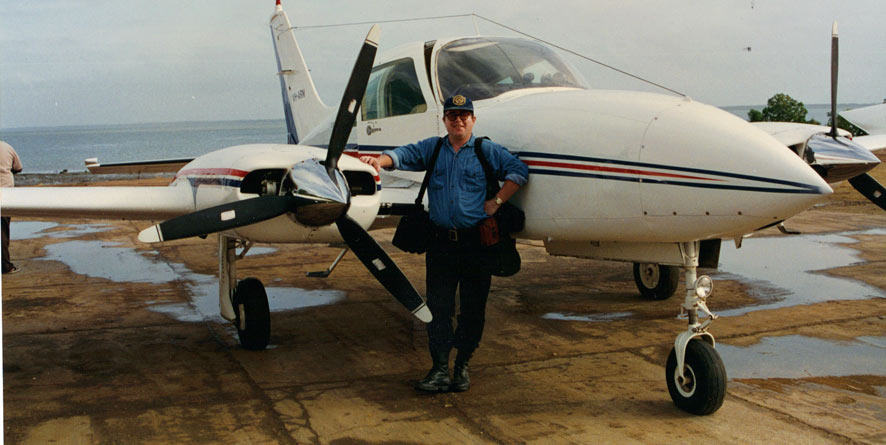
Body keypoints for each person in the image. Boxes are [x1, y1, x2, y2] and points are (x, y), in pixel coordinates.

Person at [360, 95, 528, 392]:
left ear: (473, 120)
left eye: (464, 115)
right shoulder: (434, 148)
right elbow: (403, 155)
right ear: (445, 120)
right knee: (438, 309)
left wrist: (498, 201)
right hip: (441, 246)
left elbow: (518, 171)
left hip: (476, 245)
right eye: (452, 115)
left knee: (473, 309)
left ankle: (462, 366)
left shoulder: (485, 150)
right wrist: (378, 161)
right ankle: (439, 369)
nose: (458, 120)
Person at [1, 140, 23, 274]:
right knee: (2, 230)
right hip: (5, 192)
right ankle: (5, 265)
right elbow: (18, 168)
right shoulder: (7, 147)